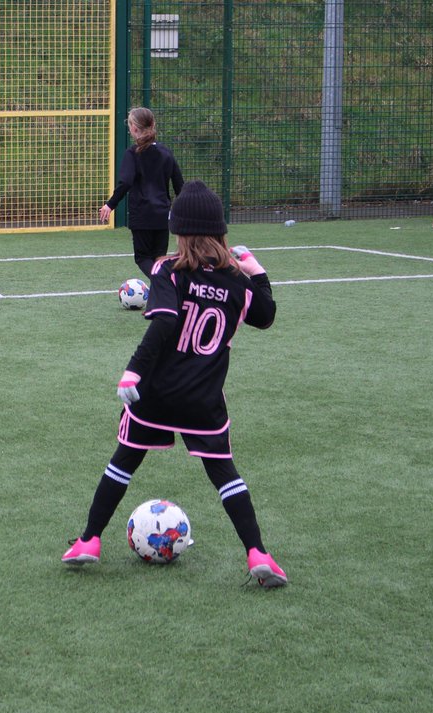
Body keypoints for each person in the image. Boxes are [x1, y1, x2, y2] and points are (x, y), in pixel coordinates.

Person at [64, 180, 286, 588]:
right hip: (203, 400)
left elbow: (165, 321)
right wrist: (256, 269)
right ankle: (259, 553)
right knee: (225, 475)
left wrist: (133, 369)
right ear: (221, 232)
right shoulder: (237, 282)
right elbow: (268, 314)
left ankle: (89, 541)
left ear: (178, 231)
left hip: (157, 393)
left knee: (123, 462)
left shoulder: (168, 270)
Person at [99, 107, 184, 278]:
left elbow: (126, 182)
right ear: (153, 125)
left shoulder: (133, 153)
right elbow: (179, 184)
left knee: (143, 257)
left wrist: (110, 204)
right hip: (162, 214)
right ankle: (165, 292)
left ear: (134, 128)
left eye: (129, 125)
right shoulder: (166, 152)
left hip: (142, 214)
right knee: (159, 258)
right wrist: (182, 210)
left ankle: (166, 285)